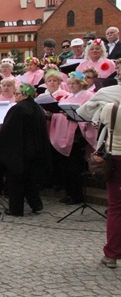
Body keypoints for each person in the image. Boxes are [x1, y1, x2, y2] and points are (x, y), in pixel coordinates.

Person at [77, 79, 121, 269]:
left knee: (116, 207)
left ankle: (112, 254)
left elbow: (82, 112)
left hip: (117, 157)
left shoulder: (108, 99)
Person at [0, 83, 52, 216]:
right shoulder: (37, 108)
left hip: (19, 151)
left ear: (25, 95)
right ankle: (36, 205)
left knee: (16, 181)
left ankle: (16, 209)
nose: (15, 96)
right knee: (29, 180)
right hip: (34, 151)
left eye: (17, 94)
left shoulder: (18, 109)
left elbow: (7, 131)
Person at [49, 72, 97, 205]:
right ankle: (69, 193)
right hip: (65, 134)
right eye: (69, 83)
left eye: (74, 83)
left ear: (81, 84)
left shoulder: (88, 96)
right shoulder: (67, 96)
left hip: (77, 136)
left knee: (74, 167)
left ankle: (77, 195)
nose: (71, 86)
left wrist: (71, 115)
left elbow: (89, 114)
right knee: (66, 167)